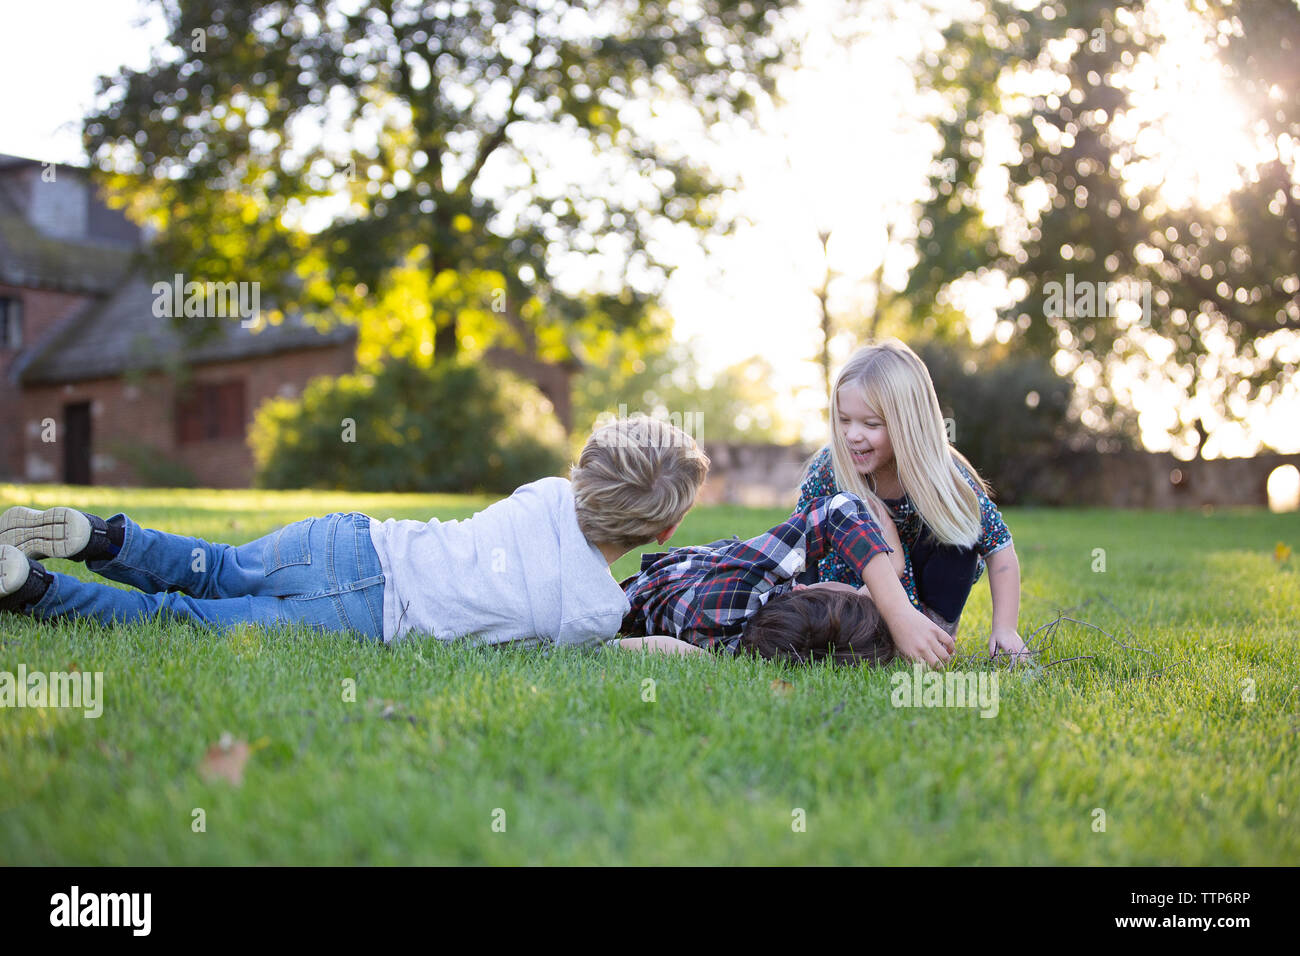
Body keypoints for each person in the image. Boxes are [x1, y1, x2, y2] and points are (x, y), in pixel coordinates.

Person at [0, 416, 709, 651]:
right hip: (360, 616)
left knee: (210, 568)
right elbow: (611, 637)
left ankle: (99, 538)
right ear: (666, 529)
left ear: (582, 467)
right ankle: (32, 589)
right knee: (178, 619)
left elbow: (578, 500)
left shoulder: (545, 494)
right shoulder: (593, 615)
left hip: (350, 541)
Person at [795, 339, 1027, 662]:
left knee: (961, 527)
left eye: (870, 424)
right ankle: (858, 638)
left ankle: (928, 636)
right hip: (849, 605)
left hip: (922, 606)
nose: (852, 435)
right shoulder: (829, 470)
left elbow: (999, 546)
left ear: (908, 424)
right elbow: (798, 544)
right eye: (844, 420)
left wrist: (1005, 627)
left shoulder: (944, 478)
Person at [616, 491, 955, 667]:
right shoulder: (746, 649)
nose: (856, 583)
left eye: (846, 584)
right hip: (661, 598)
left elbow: (835, 511)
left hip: (661, 579)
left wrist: (899, 612)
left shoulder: (743, 589)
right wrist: (891, 572)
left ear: (804, 587)